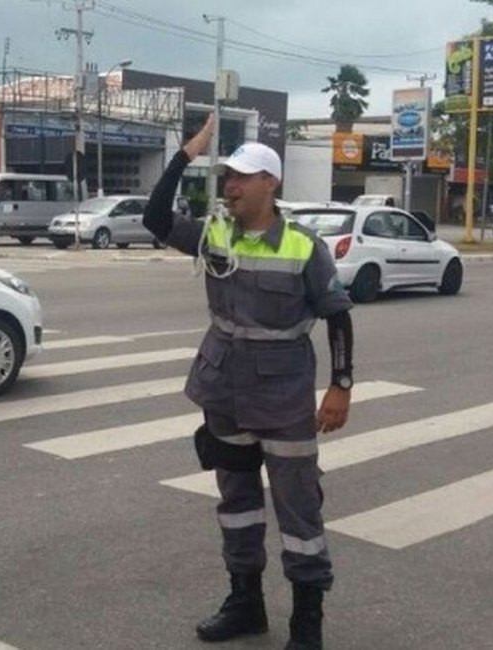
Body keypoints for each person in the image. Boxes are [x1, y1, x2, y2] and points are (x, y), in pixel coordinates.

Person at [143, 115, 354, 650]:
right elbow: (154, 218)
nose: (230, 185)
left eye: (241, 176)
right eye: (227, 176)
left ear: (270, 184)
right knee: (236, 503)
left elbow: (338, 315)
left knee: (299, 511)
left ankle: (308, 624)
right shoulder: (215, 234)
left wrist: (341, 385)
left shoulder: (306, 247)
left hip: (284, 399)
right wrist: (186, 154)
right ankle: (246, 603)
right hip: (225, 395)